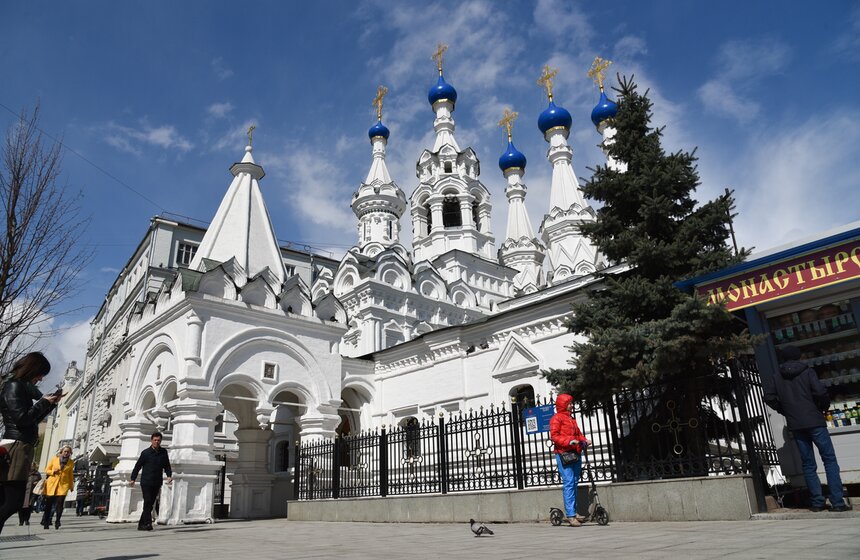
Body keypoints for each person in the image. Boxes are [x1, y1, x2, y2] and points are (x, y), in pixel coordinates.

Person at [764, 345, 852, 512]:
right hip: (815, 420)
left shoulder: (777, 376)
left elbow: (768, 397)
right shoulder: (807, 372)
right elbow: (820, 392)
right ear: (799, 356)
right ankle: (837, 502)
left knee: (808, 464)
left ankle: (817, 502)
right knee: (829, 460)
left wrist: (784, 409)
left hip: (796, 424)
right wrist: (823, 407)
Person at [0, 352, 60, 534]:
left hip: (22, 445)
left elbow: (30, 420)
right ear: (32, 369)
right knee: (13, 501)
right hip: (16, 446)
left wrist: (49, 404)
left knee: (9, 500)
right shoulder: (14, 386)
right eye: (40, 373)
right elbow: (22, 419)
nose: (40, 379)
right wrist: (42, 403)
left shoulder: (18, 386)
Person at [549, 393, 589, 526]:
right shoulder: (556, 418)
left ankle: (574, 511)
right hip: (563, 453)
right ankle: (571, 515)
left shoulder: (572, 419)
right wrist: (569, 441)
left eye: (572, 403)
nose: (572, 405)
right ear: (563, 405)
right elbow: (554, 436)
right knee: (569, 482)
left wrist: (584, 440)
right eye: (569, 403)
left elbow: (578, 434)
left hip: (575, 452)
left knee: (575, 482)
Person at [130, 432, 172, 531]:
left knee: (149, 504)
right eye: (155, 440)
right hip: (146, 482)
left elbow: (167, 465)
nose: (156, 442)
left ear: (160, 441)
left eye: (158, 440)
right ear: (151, 440)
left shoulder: (163, 452)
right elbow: (137, 466)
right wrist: (133, 478)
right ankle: (148, 524)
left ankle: (141, 524)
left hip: (157, 482)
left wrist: (169, 475)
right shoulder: (145, 453)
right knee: (148, 501)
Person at [41, 445, 75, 529]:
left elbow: (70, 475)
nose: (66, 453)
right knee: (49, 504)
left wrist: (71, 486)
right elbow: (46, 470)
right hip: (52, 484)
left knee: (60, 504)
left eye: (68, 452)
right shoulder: (54, 459)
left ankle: (57, 521)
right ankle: (46, 522)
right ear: (61, 452)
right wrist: (53, 471)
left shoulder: (71, 462)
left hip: (63, 485)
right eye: (65, 451)